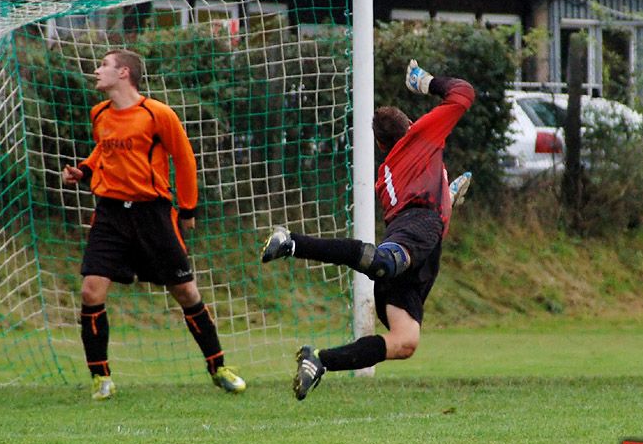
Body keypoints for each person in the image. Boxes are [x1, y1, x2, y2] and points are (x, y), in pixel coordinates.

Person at [261, 59, 474, 400]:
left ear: (380, 146)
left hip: (416, 255)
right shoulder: (420, 137)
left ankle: (320, 361)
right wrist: (425, 82)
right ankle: (292, 242)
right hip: (415, 234)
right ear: (410, 127)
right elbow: (463, 93)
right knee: (382, 263)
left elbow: (425, 206)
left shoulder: (385, 175)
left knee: (405, 342)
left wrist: (447, 197)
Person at [63, 48, 246, 400]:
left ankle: (218, 367)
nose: (97, 70)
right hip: (110, 214)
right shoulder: (99, 113)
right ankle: (101, 378)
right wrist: (84, 170)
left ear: (124, 73)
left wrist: (188, 208)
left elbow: (184, 159)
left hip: (152, 215)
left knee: (186, 292)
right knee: (90, 291)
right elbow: (104, 149)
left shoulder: (157, 114)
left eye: (104, 65)